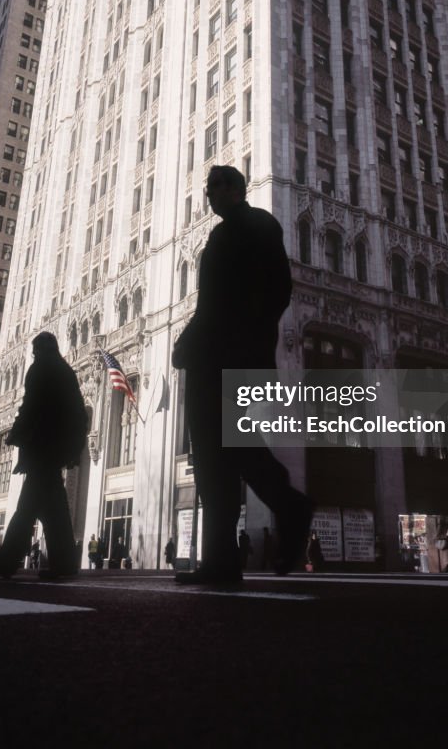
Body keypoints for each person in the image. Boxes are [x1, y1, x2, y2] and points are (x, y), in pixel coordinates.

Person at [172, 165, 313, 584]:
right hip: (210, 355)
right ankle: (221, 560)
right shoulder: (220, 234)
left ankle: (288, 504)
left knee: (230, 448)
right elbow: (209, 304)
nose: (210, 195)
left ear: (236, 188)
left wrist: (249, 338)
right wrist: (190, 342)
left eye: (217, 186)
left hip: (229, 357)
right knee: (215, 460)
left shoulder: (256, 225)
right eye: (207, 188)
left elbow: (276, 290)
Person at [0, 332, 87, 580]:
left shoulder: (40, 369)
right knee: (53, 509)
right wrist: (74, 447)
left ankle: (7, 560)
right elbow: (78, 412)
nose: (34, 354)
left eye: (35, 350)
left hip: (42, 448)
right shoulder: (66, 371)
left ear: (41, 350)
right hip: (56, 449)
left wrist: (17, 434)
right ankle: (63, 563)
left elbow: (30, 406)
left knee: (28, 508)